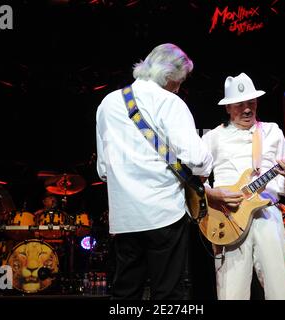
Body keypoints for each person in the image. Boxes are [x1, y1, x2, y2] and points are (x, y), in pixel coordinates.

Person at [96, 43, 213, 299]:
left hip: (125, 217)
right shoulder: (170, 102)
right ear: (170, 75)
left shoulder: (108, 103)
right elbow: (196, 158)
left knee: (125, 293)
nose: (179, 88)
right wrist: (206, 166)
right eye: (179, 81)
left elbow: (103, 169)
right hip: (164, 213)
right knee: (168, 293)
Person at [202, 73, 285, 300]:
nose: (247, 109)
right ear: (227, 108)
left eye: (251, 103)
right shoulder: (213, 138)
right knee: (231, 293)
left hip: (268, 214)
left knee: (281, 289)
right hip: (229, 218)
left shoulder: (272, 131)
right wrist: (213, 195)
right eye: (240, 105)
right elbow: (194, 182)